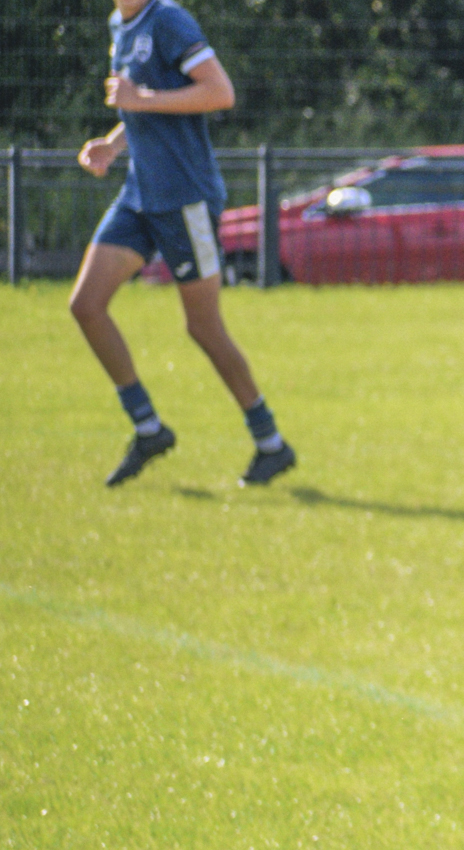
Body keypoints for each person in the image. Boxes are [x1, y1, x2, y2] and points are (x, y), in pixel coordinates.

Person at [71, 0, 295, 489]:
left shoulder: (167, 19)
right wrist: (113, 144)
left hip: (185, 198)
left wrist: (141, 99)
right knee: (86, 305)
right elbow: (139, 107)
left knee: (203, 327)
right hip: (140, 195)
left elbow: (220, 92)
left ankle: (271, 442)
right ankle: (149, 429)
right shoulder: (120, 24)